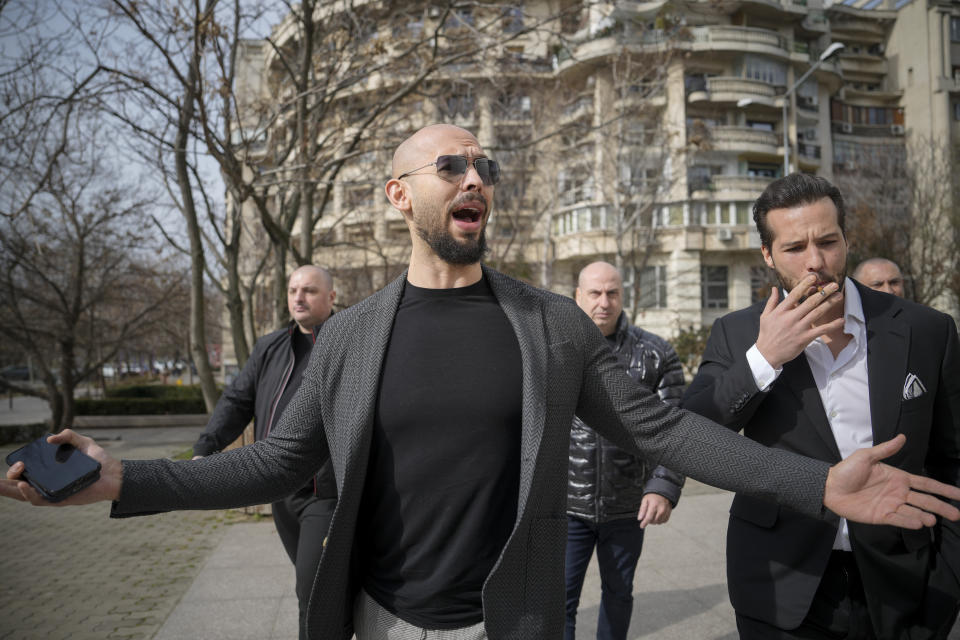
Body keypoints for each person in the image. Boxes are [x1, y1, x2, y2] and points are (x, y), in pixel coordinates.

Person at [4, 126, 960, 640]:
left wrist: (814, 481)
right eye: (449, 164)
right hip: (375, 618)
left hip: (512, 623)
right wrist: (128, 481)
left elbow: (665, 433)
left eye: (483, 166)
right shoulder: (348, 337)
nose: (474, 178)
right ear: (400, 195)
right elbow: (277, 463)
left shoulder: (547, 323)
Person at [682, 174, 960, 639]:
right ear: (768, 256)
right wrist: (764, 359)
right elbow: (692, 435)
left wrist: (948, 574)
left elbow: (952, 457)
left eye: (828, 242)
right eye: (794, 249)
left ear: (846, 239)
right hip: (779, 584)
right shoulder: (736, 333)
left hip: (905, 586)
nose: (816, 262)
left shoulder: (926, 329)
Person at [191, 264, 336, 636]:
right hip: (278, 488)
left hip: (326, 492)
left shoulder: (350, 339)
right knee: (313, 583)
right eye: (293, 291)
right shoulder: (269, 346)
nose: (299, 298)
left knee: (313, 589)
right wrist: (205, 449)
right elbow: (237, 401)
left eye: (309, 291)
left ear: (332, 297)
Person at [565, 261, 685, 640]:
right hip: (566, 505)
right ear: (578, 297)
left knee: (619, 593)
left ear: (623, 295)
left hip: (628, 504)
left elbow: (674, 428)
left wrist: (663, 485)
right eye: (595, 293)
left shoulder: (656, 354)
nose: (604, 302)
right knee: (560, 600)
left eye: (612, 292)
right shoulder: (554, 349)